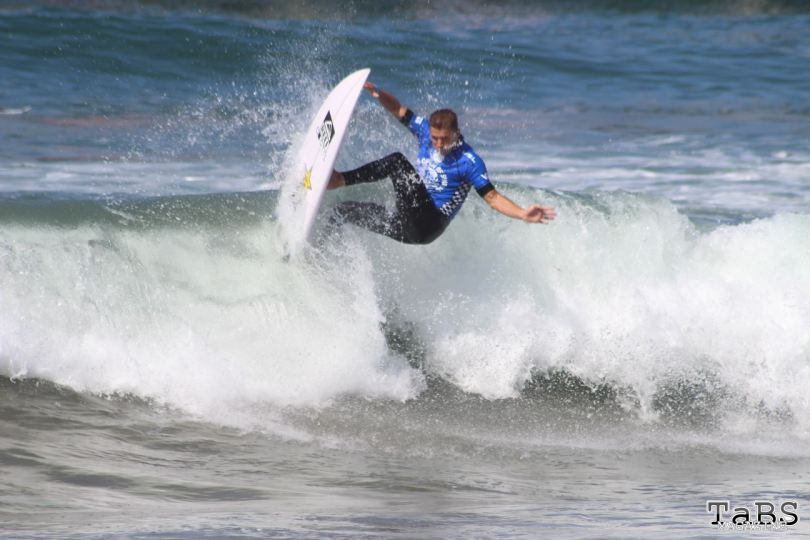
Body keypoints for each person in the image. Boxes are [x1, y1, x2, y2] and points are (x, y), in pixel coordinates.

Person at [326, 81, 556, 244]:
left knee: (396, 162)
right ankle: (320, 254)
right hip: (407, 224)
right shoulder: (425, 132)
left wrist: (522, 214)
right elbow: (398, 109)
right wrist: (377, 93)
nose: (438, 143)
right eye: (434, 138)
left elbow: (493, 198)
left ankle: (339, 180)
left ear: (456, 132)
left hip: (430, 224)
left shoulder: (469, 161)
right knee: (342, 210)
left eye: (444, 138)